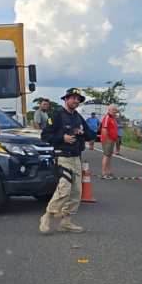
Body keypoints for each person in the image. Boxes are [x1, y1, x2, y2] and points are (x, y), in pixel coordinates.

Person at [40, 88, 95, 234]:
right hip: (63, 157)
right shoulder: (57, 115)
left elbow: (91, 135)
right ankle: (48, 216)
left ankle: (66, 222)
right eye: (73, 98)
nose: (76, 101)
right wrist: (63, 138)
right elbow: (45, 135)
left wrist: (82, 133)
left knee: (76, 192)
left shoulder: (78, 117)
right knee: (64, 189)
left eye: (78, 99)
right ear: (66, 99)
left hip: (77, 158)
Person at [99, 104, 119, 178]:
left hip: (112, 140)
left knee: (109, 156)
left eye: (115, 110)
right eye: (113, 110)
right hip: (107, 140)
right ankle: (104, 172)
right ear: (109, 110)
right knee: (106, 155)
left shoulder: (112, 118)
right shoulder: (107, 117)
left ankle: (108, 171)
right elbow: (104, 128)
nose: (114, 111)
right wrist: (107, 139)